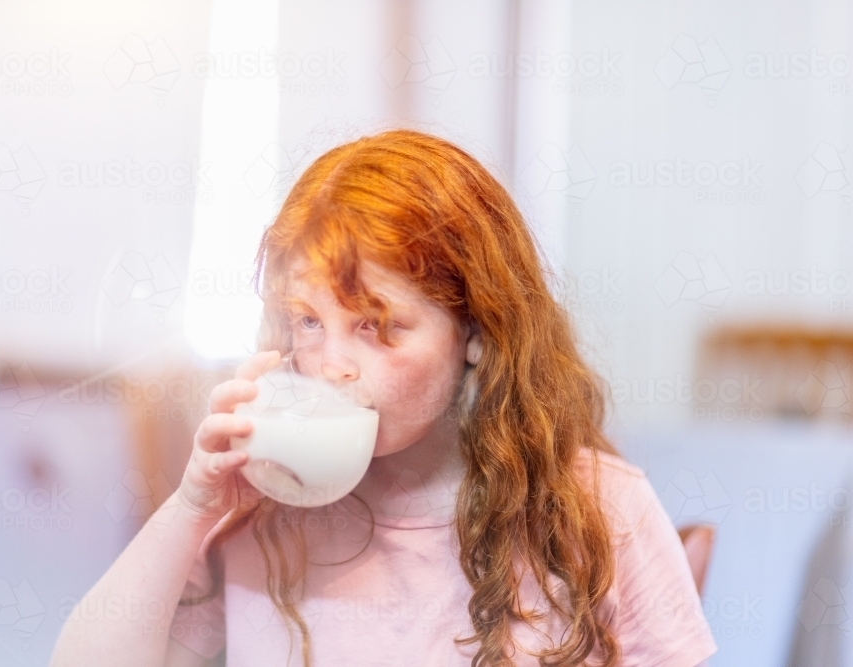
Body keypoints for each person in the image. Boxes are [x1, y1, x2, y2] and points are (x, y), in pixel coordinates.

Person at [50, 130, 717, 667]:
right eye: (309, 321)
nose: (331, 365)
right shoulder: (264, 517)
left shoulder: (599, 509)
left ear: (477, 331)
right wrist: (193, 507)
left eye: (375, 325)